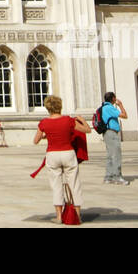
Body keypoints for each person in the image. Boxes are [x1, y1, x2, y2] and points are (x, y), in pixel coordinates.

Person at [33, 94, 91, 223]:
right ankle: (76, 215)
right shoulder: (68, 120)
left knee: (56, 185)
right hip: (68, 153)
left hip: (52, 154)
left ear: (48, 108)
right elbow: (87, 130)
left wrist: (45, 135)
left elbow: (35, 141)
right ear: (60, 106)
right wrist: (82, 120)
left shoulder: (44, 123)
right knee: (74, 184)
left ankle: (59, 216)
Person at [100, 91, 129, 184]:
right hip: (111, 133)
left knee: (110, 155)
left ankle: (108, 177)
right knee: (116, 155)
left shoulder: (103, 107)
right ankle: (117, 177)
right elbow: (124, 115)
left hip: (107, 133)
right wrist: (120, 105)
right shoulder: (109, 108)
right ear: (113, 98)